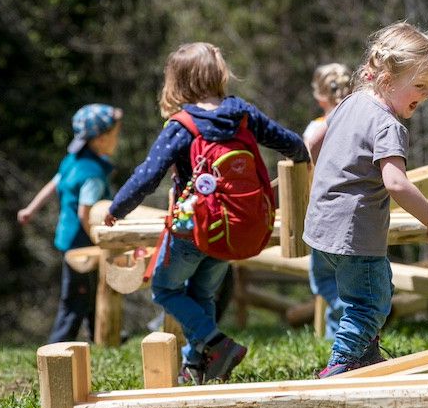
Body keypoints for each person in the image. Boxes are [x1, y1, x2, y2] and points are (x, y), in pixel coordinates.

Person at [103, 42, 308, 384]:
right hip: (231, 226)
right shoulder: (242, 114)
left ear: (178, 81)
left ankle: (216, 344)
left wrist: (117, 208)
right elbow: (290, 142)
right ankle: (197, 368)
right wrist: (304, 159)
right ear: (218, 75)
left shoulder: (182, 125)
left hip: (192, 229)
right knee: (202, 295)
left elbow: (148, 174)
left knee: (165, 290)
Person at [304, 23, 428, 378]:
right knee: (368, 305)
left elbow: (314, 142)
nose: (427, 94)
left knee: (378, 286)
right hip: (355, 233)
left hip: (322, 227)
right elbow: (396, 183)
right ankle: (340, 366)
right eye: (419, 85)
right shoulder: (388, 124)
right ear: (386, 77)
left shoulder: (349, 104)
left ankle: (364, 356)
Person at [19, 103, 123, 344]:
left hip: (68, 238)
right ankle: (57, 345)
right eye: (115, 134)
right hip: (82, 243)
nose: (117, 139)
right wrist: (101, 240)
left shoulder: (72, 160)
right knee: (76, 297)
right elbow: (84, 212)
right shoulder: (93, 174)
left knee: (90, 291)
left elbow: (54, 183)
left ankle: (104, 335)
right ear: (100, 139)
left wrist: (30, 210)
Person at [302, 62, 353, 339]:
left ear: (319, 96)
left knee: (323, 279)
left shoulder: (317, 128)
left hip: (323, 212)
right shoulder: (359, 122)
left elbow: (303, 163)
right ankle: (338, 341)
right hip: (356, 209)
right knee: (348, 276)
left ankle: (352, 312)